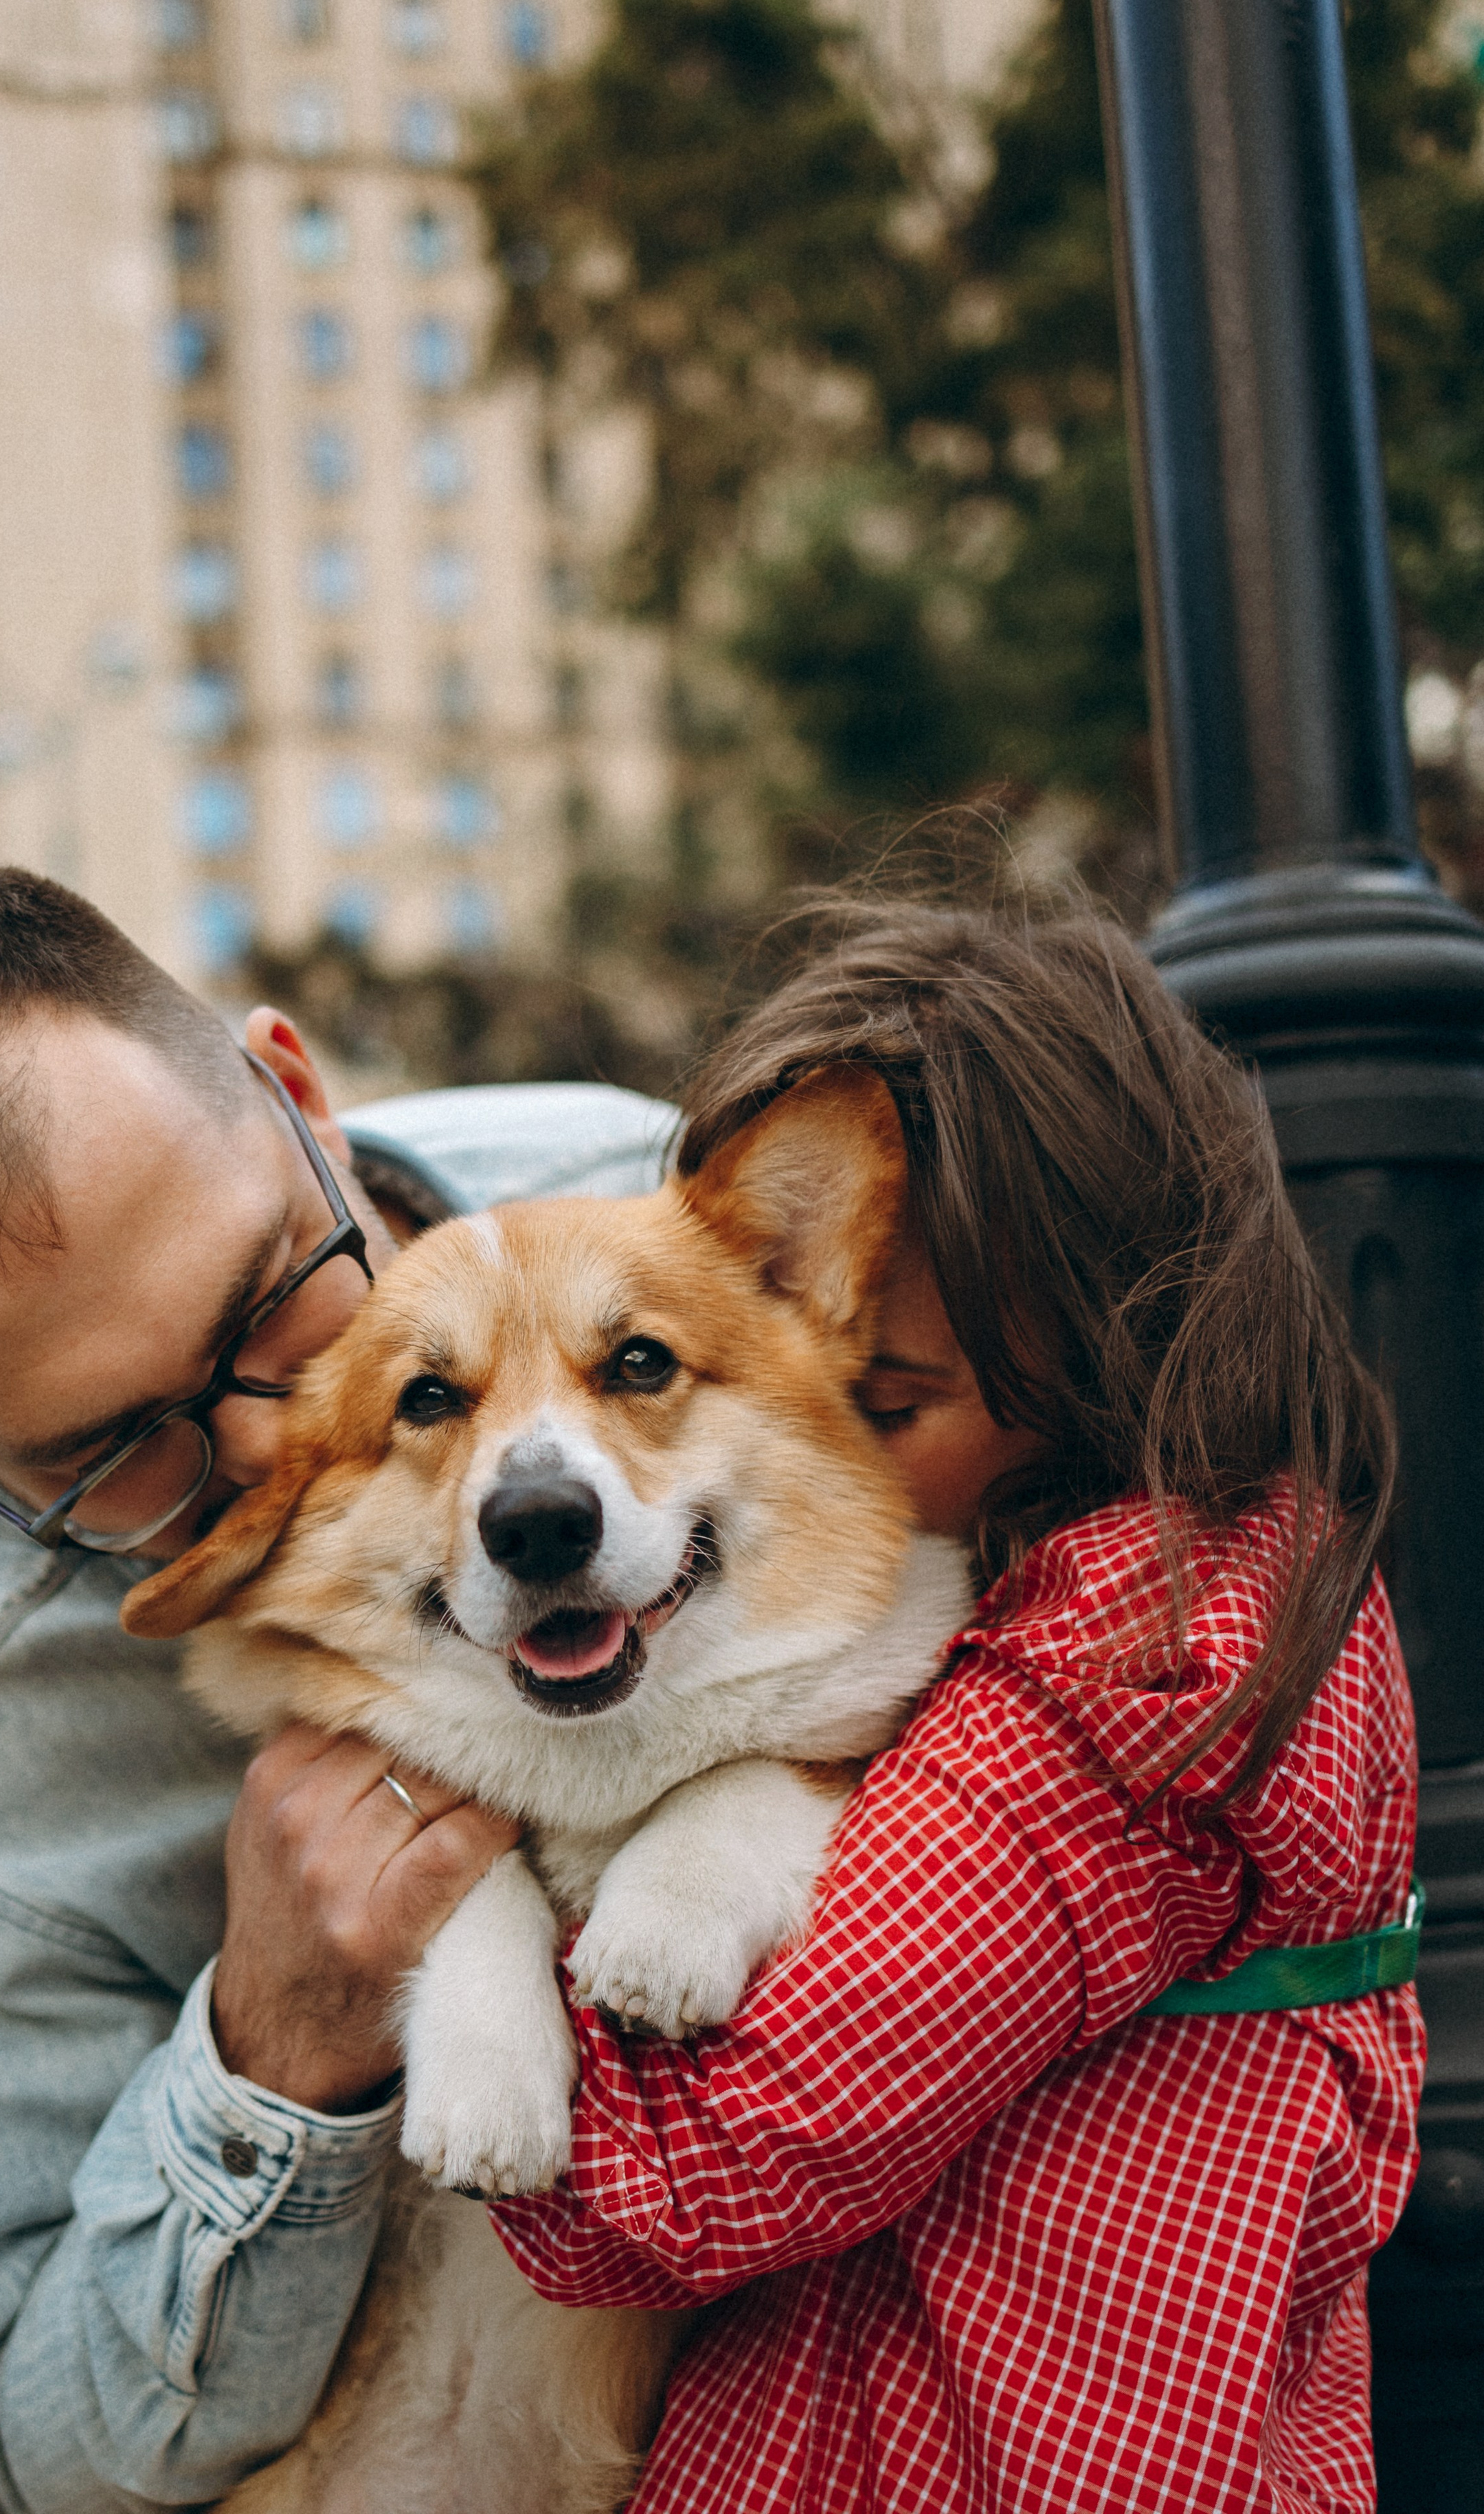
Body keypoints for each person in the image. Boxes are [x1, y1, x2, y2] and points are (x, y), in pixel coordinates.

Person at [0, 866, 678, 2511]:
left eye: (271, 1303)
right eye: (114, 1443)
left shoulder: (640, 1193)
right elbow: (7, 2453)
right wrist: (277, 2046)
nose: (264, 1445)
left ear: (296, 1093)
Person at [491, 900, 1424, 2514]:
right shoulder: (1222, 1576)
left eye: (874, 1402)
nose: (792, 1461)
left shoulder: (1123, 1677)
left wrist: (442, 1934)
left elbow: (695, 2169)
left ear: (1098, 1347)